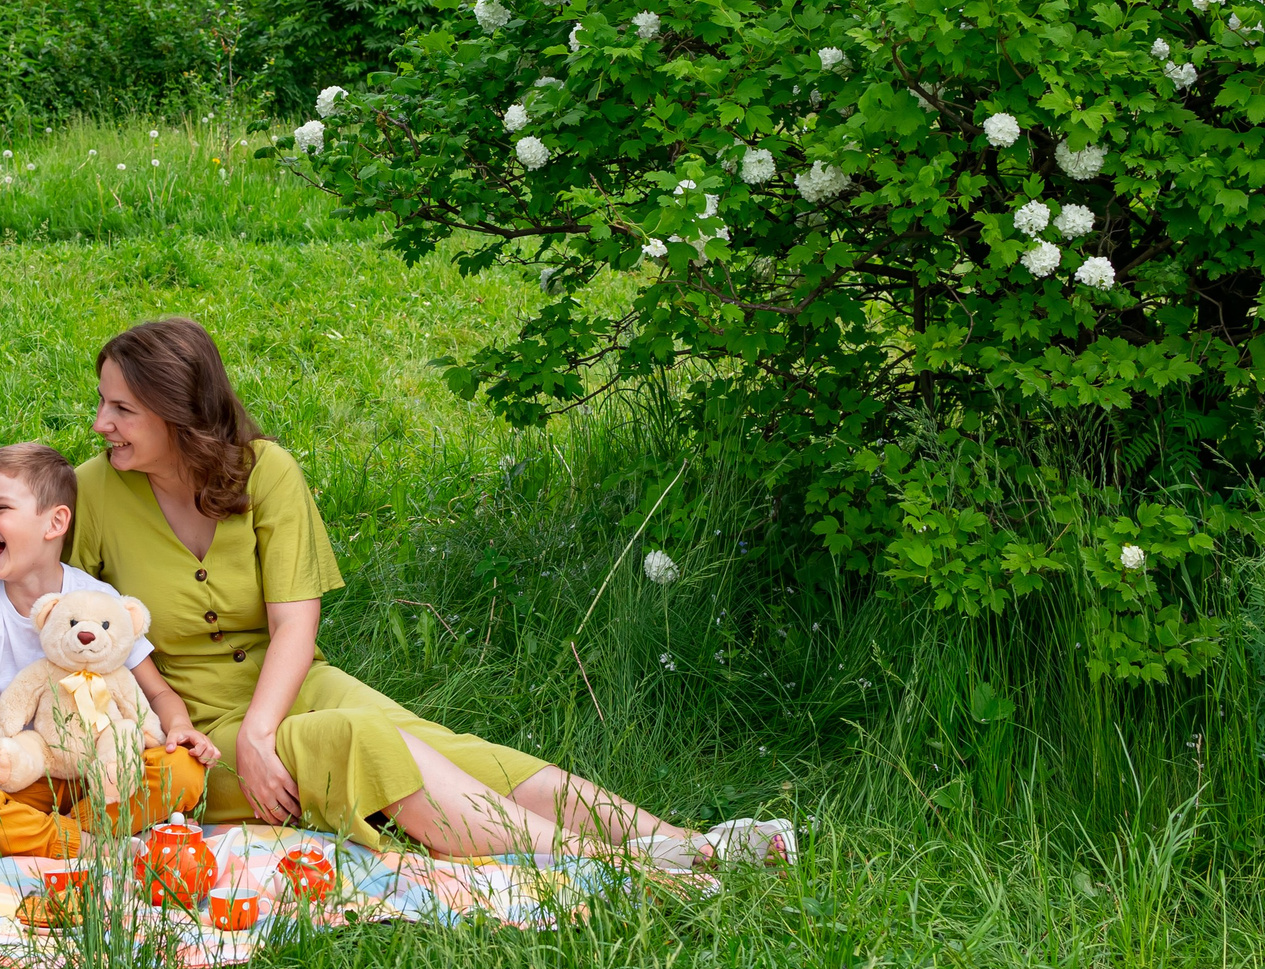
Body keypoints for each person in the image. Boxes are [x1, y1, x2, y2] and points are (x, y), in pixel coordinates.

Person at [72, 317, 795, 868]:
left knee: (447, 749)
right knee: (361, 742)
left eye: (122, 410)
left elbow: (295, 623)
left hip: (287, 683)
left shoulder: (265, 471)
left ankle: (694, 846)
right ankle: (618, 867)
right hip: (187, 729)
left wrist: (262, 731)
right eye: (105, 405)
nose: (102, 424)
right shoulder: (94, 491)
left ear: (179, 412)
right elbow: (55, 623)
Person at [0, 441, 220, 858]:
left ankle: (65, 833)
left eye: (1, 509)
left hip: (106, 772)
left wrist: (178, 728)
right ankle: (85, 842)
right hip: (25, 776)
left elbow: (156, 692)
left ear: (55, 523)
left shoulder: (98, 599)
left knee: (186, 770)